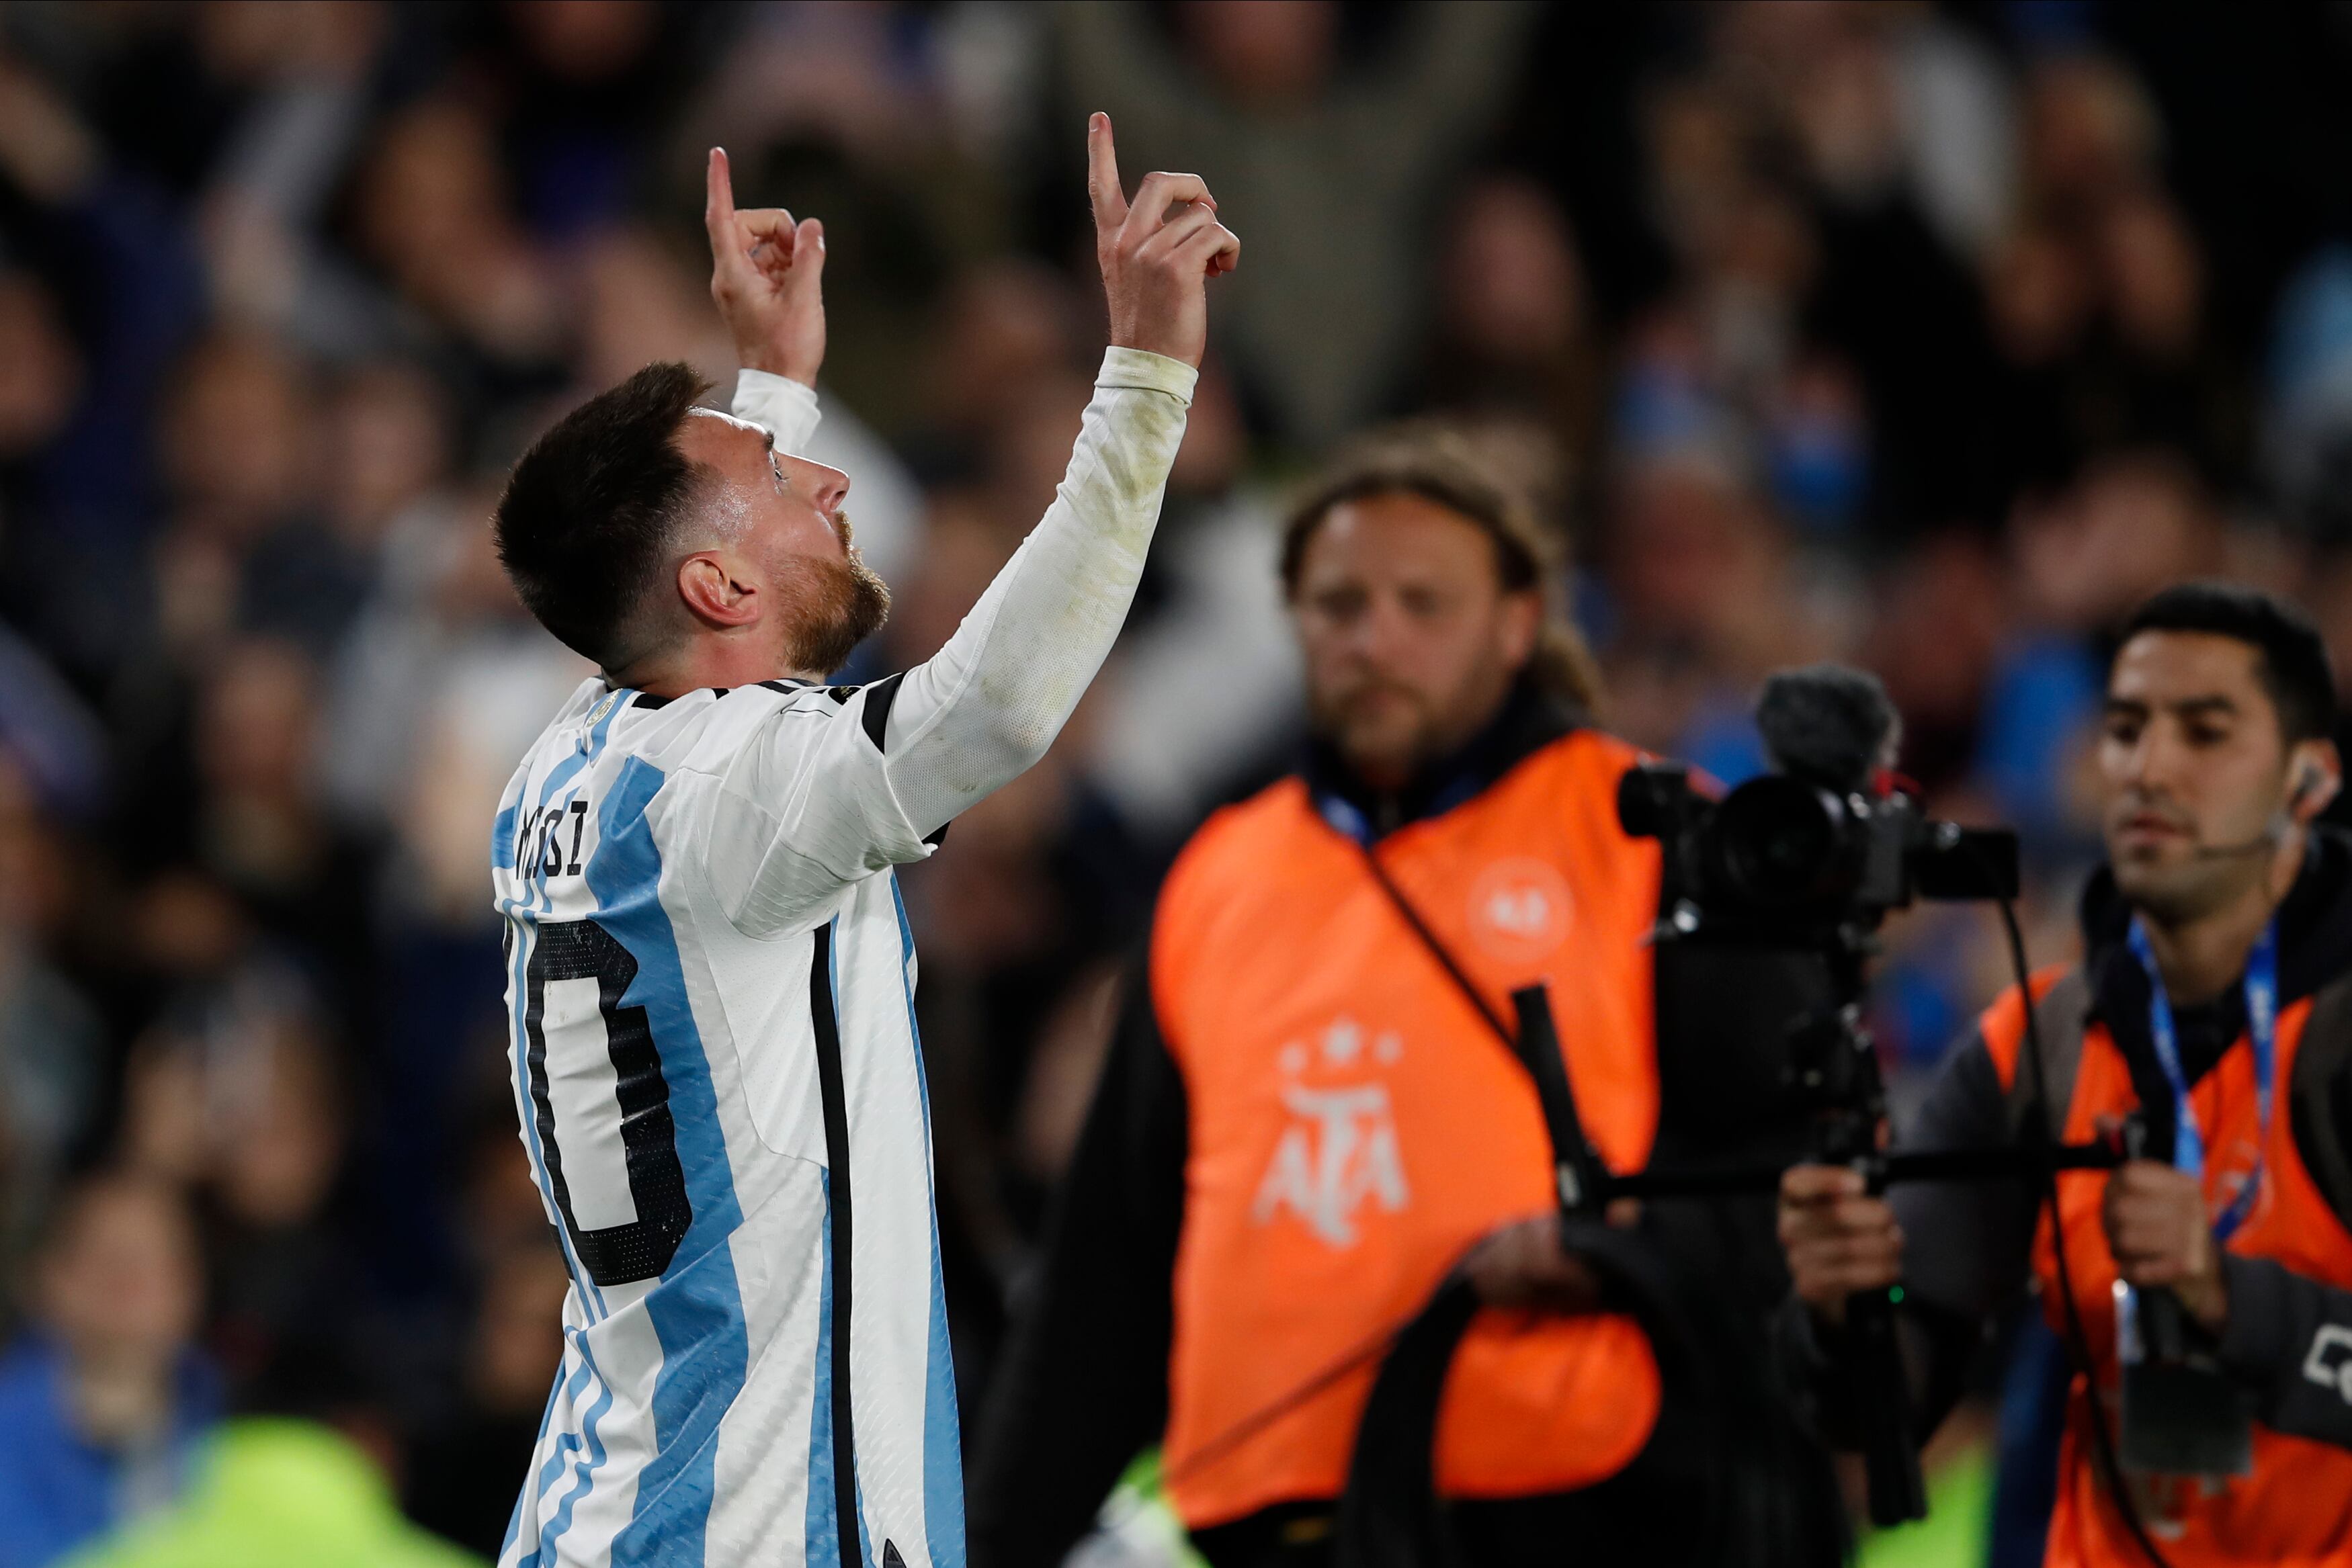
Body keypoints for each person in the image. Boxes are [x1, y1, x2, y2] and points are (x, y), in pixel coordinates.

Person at [485, 118, 1236, 1568]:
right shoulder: (737, 796)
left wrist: (777, 386)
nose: (825, 483)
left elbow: (735, 668)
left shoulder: (577, 763)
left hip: (620, 1505)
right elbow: (1001, 704)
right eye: (778, 479)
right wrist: (1145, 370)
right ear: (710, 578)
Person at [971, 427, 1843, 1567]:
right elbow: (1105, 1285)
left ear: (1518, 623)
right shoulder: (1217, 878)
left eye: (1423, 604)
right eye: (1339, 605)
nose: (1375, 639)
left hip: (1581, 1509)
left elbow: (1798, 1173)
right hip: (1282, 1521)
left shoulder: (1654, 834)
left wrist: (1618, 1248)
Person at [1779, 582, 2352, 1566]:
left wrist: (2230, 1299)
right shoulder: (2039, 1040)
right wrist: (1842, 1312)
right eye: (2125, 729)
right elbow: (1879, 1417)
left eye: (2205, 733)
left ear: (2309, 781)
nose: (2148, 766)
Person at [0, 1172, 219, 1568]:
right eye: (103, 1257)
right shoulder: (8, 1440)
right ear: (48, 1277)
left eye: (151, 1260)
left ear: (192, 1285)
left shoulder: (243, 1428)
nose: (127, 1282)